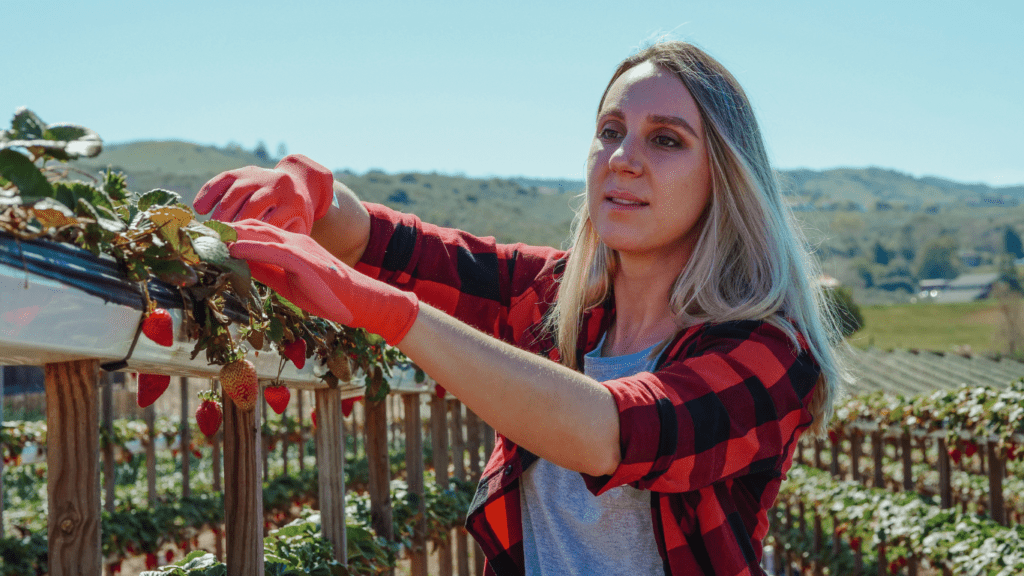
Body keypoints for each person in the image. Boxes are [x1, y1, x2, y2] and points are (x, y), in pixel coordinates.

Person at [194, 41, 847, 576]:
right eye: (611, 131)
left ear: (724, 176)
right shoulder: (553, 297)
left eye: (666, 140)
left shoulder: (771, 351)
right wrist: (316, 194)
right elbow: (393, 247)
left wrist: (392, 315)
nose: (624, 160)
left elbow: (611, 434)